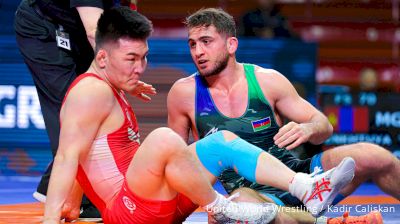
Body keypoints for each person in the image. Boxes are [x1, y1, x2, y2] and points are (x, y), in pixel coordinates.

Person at [42, 7, 358, 224]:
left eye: (144, 58)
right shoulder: (90, 92)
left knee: (218, 142)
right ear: (101, 56)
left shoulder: (107, 87)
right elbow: (68, 156)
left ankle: (306, 188)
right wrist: (50, 217)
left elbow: (86, 152)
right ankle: (220, 206)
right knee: (164, 139)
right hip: (130, 213)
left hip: (151, 204)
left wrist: (72, 203)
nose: (140, 68)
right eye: (131, 59)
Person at [167, 7, 395, 223]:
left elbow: (324, 125)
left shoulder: (267, 80)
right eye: (192, 44)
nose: (198, 52)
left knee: (373, 155)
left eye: (206, 42)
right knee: (243, 208)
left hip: (302, 176)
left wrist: (309, 128)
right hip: (254, 196)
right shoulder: (184, 94)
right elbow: (177, 162)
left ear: (231, 45)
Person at [14, 0, 144, 218]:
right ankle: (61, 203)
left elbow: (126, 21)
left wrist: (126, 73)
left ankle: (73, 198)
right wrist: (121, 72)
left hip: (82, 29)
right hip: (45, 28)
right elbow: (94, 32)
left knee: (101, 104)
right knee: (75, 108)